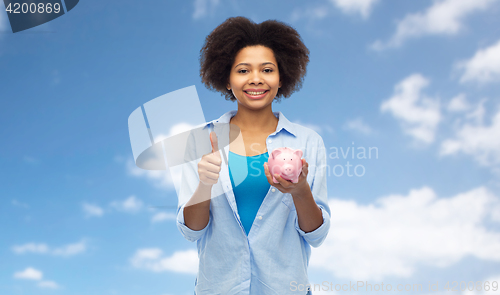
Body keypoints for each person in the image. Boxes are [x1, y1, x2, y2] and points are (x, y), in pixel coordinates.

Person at [176, 16, 331, 295]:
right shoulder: (201, 140)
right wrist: (205, 185)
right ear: (226, 78)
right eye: (243, 70)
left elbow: (316, 235)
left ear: (282, 77)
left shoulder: (308, 142)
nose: (256, 79)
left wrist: (300, 191)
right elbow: (191, 231)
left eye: (267, 70)